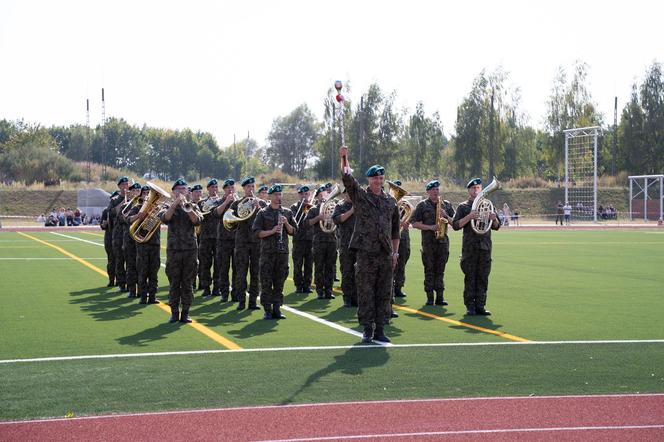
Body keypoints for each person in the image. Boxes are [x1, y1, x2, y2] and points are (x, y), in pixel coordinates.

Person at [340, 145, 400, 343]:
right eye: (375, 178)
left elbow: (395, 231)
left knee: (384, 292)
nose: (379, 181)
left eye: (381, 178)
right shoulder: (361, 197)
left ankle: (381, 329)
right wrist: (344, 157)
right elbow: (348, 179)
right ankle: (367, 328)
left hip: (384, 254)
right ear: (369, 180)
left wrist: (395, 254)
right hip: (366, 253)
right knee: (365, 291)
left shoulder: (391, 202)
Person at [452, 177, 500, 316]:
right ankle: (470, 306)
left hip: (485, 248)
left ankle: (481, 306)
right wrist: (469, 217)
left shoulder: (488, 204)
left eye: (478, 188)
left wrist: (494, 218)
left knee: (483, 278)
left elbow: (497, 226)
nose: (476, 190)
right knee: (470, 278)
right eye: (473, 188)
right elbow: (455, 225)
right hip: (470, 249)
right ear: (469, 190)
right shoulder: (463, 207)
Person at [159, 179, 202, 323]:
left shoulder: (193, 206)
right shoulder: (166, 206)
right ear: (173, 192)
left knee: (188, 282)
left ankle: (186, 313)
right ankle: (174, 313)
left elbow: (197, 221)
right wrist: (175, 204)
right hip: (174, 251)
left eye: (184, 189)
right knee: (174, 283)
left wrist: (187, 208)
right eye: (178, 189)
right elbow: (165, 218)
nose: (181, 191)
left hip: (190, 250)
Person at [253, 184, 295, 320]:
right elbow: (257, 232)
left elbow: (294, 231)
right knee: (266, 282)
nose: (278, 197)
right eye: (275, 195)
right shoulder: (263, 213)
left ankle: (277, 308)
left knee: (279, 282)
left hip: (282, 253)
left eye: (279, 194)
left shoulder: (287, 212)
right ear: (270, 196)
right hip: (267, 253)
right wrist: (272, 231)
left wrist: (286, 223)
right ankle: (267, 309)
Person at [410, 180, 455, 306]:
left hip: (443, 242)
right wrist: (430, 227)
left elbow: (455, 222)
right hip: (428, 243)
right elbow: (414, 223)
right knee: (429, 270)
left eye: (437, 189)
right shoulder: (422, 205)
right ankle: (430, 298)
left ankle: (440, 297)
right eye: (433, 190)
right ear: (428, 191)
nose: (436, 191)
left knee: (441, 270)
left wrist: (445, 215)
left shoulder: (446, 204)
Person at [230, 176, 267, 310]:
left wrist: (258, 208)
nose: (251, 189)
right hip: (242, 242)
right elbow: (230, 221)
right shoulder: (237, 203)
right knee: (241, 272)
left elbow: (267, 220)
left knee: (255, 273)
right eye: (248, 187)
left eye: (252, 187)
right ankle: (241, 301)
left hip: (257, 242)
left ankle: (252, 302)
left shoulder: (262, 204)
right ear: (244, 188)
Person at [128, 185, 160, 305]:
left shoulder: (158, 208)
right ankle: (142, 296)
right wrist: (139, 216)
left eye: (149, 192)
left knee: (153, 271)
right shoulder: (137, 207)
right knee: (142, 271)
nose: (147, 194)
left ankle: (152, 296)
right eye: (145, 192)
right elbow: (128, 220)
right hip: (142, 244)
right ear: (141, 195)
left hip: (155, 243)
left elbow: (165, 217)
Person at [306, 186, 337, 300]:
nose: (325, 196)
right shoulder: (314, 209)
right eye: (322, 194)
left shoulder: (334, 207)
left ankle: (329, 290)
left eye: (326, 194)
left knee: (330, 267)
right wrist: (318, 217)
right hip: (319, 241)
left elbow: (338, 221)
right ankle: (319, 290)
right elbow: (307, 223)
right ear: (318, 196)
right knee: (319, 267)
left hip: (331, 240)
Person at [213, 179, 238, 303]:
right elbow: (216, 213)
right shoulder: (219, 201)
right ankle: (224, 293)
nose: (231, 190)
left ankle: (235, 293)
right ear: (224, 190)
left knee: (237, 268)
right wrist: (227, 201)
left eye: (232, 187)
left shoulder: (239, 202)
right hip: (223, 240)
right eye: (228, 188)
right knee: (223, 268)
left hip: (236, 239)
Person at [332, 189, 357, 307]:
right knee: (347, 272)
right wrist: (351, 211)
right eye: (347, 193)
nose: (349, 195)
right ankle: (347, 298)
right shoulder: (340, 206)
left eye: (351, 193)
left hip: (359, 244)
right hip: (345, 245)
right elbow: (336, 219)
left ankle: (357, 297)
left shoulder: (360, 205)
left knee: (359, 272)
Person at [197, 179, 220, 298]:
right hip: (205, 237)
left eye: (216, 187)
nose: (214, 189)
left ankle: (217, 288)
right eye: (212, 187)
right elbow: (200, 213)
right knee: (205, 264)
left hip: (218, 237)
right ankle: (206, 288)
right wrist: (210, 203)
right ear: (208, 189)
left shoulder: (222, 201)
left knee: (218, 264)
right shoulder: (201, 203)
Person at [290, 185, 314, 294]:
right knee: (298, 264)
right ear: (299, 195)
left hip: (310, 239)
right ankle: (298, 286)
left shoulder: (312, 207)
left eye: (307, 194)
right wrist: (304, 208)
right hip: (299, 239)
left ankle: (307, 285)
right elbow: (296, 222)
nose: (305, 196)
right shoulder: (294, 207)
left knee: (309, 264)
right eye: (303, 194)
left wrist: (310, 207)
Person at [121, 182, 142, 298]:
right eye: (134, 191)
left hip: (140, 239)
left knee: (141, 266)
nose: (137, 193)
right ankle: (132, 289)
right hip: (129, 239)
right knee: (130, 265)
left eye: (138, 191)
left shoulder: (143, 204)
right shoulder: (126, 205)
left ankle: (142, 289)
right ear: (130, 192)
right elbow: (123, 219)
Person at [391, 180, 411, 302]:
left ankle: (398, 287)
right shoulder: (388, 205)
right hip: (392, 238)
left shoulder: (404, 206)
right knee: (392, 264)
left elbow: (410, 217)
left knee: (402, 262)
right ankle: (391, 288)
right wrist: (399, 223)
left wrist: (406, 222)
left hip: (403, 237)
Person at [109, 177, 130, 292]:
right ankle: (121, 284)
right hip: (118, 234)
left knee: (131, 261)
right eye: (123, 185)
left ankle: (131, 284)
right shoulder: (114, 199)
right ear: (119, 186)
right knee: (119, 260)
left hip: (129, 233)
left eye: (127, 184)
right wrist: (124, 201)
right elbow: (113, 213)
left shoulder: (134, 199)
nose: (126, 187)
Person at [100, 191, 118, 287]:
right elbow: (102, 226)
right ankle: (111, 280)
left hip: (119, 238)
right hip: (109, 238)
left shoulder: (124, 209)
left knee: (120, 261)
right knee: (111, 260)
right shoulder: (106, 211)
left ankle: (121, 281)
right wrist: (104, 224)